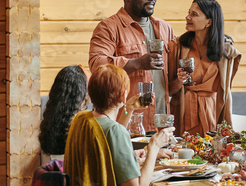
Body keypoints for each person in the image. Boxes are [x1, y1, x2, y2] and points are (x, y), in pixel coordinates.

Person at [66, 64, 192, 186]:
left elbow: (107, 150)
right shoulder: (113, 130)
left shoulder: (83, 120)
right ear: (122, 95)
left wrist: (129, 110)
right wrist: (154, 147)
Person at [89, 0, 175, 132]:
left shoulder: (165, 28)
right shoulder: (108, 27)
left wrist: (218, 39)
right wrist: (136, 63)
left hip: (162, 124)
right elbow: (97, 66)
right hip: (127, 126)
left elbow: (181, 57)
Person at [38, 64, 171, 164]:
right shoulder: (82, 124)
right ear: (80, 93)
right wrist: (151, 152)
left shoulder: (55, 120)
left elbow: (111, 144)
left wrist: (128, 109)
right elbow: (110, 152)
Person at [168, 0, 241, 136]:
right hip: (183, 111)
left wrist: (228, 126)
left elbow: (226, 91)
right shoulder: (176, 47)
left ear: (209, 22)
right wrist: (179, 81)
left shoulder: (225, 50)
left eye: (194, 14)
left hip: (213, 112)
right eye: (189, 13)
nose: (187, 17)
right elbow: (169, 90)